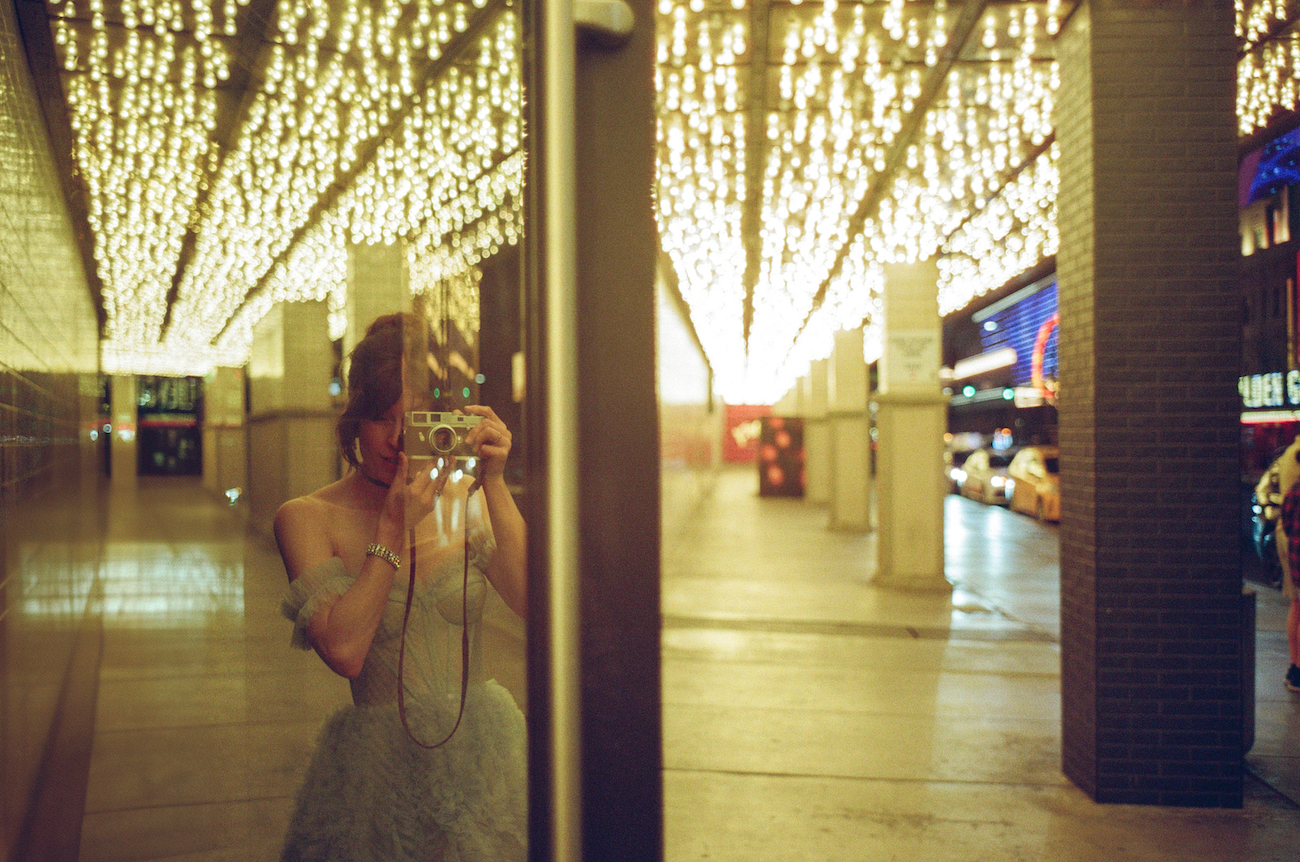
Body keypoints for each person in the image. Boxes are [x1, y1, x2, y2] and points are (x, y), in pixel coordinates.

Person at [273, 313, 527, 861]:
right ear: (354, 421)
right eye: (380, 419)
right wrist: (392, 528)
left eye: (412, 421)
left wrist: (496, 484)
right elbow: (345, 651)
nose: (395, 440)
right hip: (376, 766)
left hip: (482, 749)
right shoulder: (307, 517)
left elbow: (534, 601)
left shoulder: (463, 502)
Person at [1276, 446, 1300, 693]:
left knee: (1296, 605)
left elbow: (1287, 521)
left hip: (1294, 550)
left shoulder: (1293, 489)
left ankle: (1296, 667)